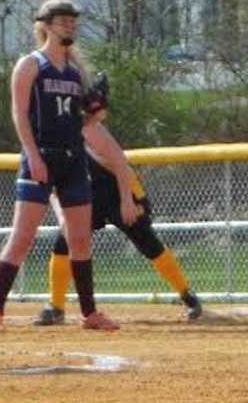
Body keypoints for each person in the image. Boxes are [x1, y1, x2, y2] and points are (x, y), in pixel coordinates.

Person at [0, 0, 119, 333]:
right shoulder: (31, 65)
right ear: (45, 25)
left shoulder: (75, 73)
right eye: (62, 21)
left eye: (73, 21)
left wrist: (95, 115)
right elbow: (19, 113)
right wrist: (32, 155)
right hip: (40, 157)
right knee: (22, 236)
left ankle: (89, 313)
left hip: (72, 159)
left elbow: (81, 124)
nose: (70, 26)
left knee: (80, 238)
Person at [34, 118, 202, 325]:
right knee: (63, 243)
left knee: (147, 242)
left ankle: (188, 296)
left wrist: (130, 201)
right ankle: (56, 307)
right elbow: (53, 187)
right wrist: (62, 217)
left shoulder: (88, 130)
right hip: (86, 197)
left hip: (117, 192)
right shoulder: (50, 143)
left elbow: (120, 165)